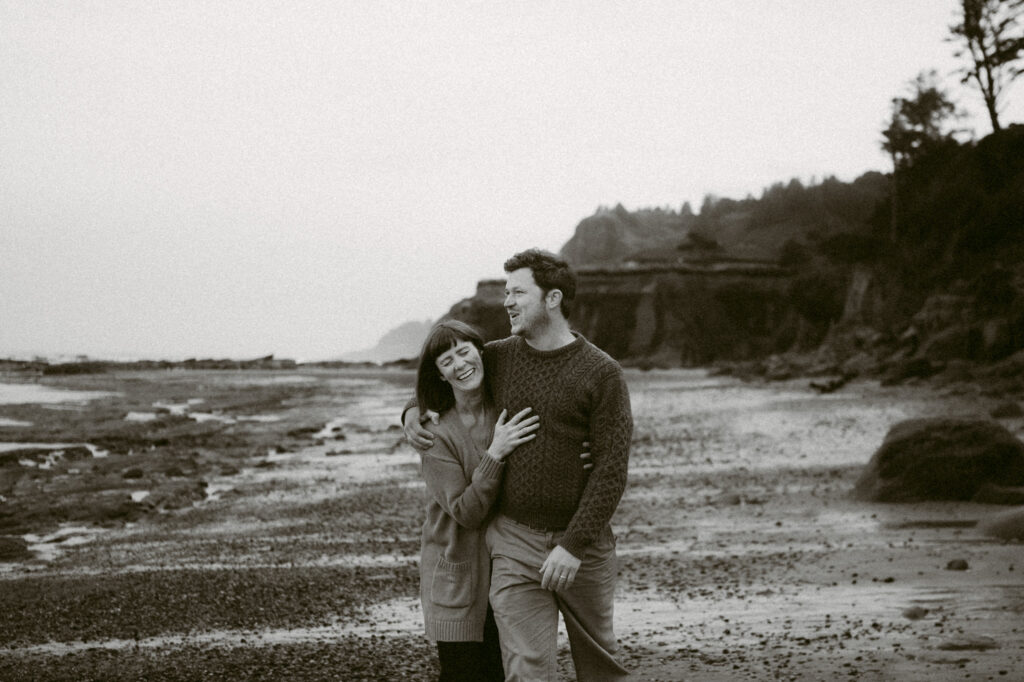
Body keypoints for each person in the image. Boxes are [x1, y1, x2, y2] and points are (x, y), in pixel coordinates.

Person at [405, 249, 633, 681]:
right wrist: (410, 414)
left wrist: (573, 544)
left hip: (583, 548)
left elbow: (610, 469)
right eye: (506, 292)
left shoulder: (603, 373)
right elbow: (450, 376)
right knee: (526, 670)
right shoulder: (500, 357)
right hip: (512, 542)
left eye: (518, 293)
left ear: (552, 299)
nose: (506, 302)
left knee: (601, 669)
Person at [414, 319, 540, 681]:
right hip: (458, 575)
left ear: (480, 352)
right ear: (439, 374)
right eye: (447, 360)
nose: (460, 364)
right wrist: (496, 454)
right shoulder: (435, 434)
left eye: (464, 351)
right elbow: (467, 512)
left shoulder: (507, 406)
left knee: (509, 672)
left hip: (510, 567)